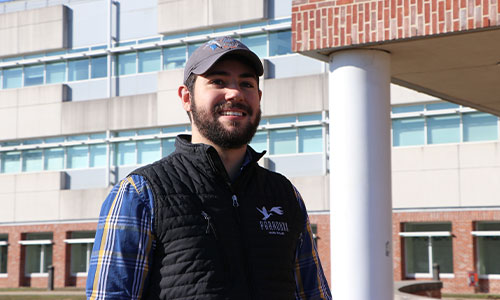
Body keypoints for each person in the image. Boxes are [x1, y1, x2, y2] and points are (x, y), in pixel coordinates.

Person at [86, 36, 331, 300]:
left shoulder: (285, 195)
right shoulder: (140, 193)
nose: (235, 93)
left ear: (258, 98)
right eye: (218, 81)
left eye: (246, 84)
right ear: (186, 98)